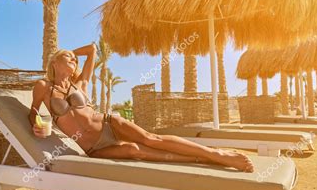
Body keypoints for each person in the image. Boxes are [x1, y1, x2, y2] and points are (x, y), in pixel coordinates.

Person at [29, 44, 254, 172]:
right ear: (54, 63)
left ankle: (217, 154)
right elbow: (33, 112)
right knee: (135, 151)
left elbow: (92, 49)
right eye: (67, 59)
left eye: (74, 61)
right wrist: (36, 125)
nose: (73, 62)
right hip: (93, 147)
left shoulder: (80, 84)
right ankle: (201, 160)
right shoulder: (43, 87)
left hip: (108, 123)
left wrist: (70, 53)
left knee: (150, 138)